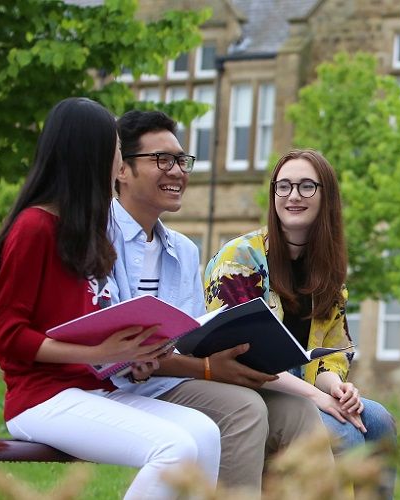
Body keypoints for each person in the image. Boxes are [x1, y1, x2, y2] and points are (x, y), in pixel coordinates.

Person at [0, 97, 221, 500]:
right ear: (89, 156)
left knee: (205, 433)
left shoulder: (88, 232)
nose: (119, 164)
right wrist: (96, 349)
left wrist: (131, 352)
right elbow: (8, 337)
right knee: (175, 447)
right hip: (39, 398)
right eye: (115, 151)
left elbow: (92, 328)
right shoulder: (34, 229)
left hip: (94, 390)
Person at [106, 110, 334, 492]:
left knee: (299, 412)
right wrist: (208, 368)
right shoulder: (97, 239)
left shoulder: (181, 249)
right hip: (124, 387)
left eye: (182, 161)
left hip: (174, 378)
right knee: (244, 409)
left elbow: (192, 335)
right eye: (162, 160)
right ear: (121, 170)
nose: (178, 171)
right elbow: (111, 352)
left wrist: (214, 360)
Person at [204, 149, 397, 498]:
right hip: (252, 392)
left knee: (379, 419)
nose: (293, 195)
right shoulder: (240, 259)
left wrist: (337, 389)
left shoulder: (328, 273)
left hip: (304, 392)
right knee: (346, 433)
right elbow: (242, 357)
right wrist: (317, 398)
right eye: (284, 186)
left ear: (327, 198)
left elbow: (331, 353)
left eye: (307, 186)